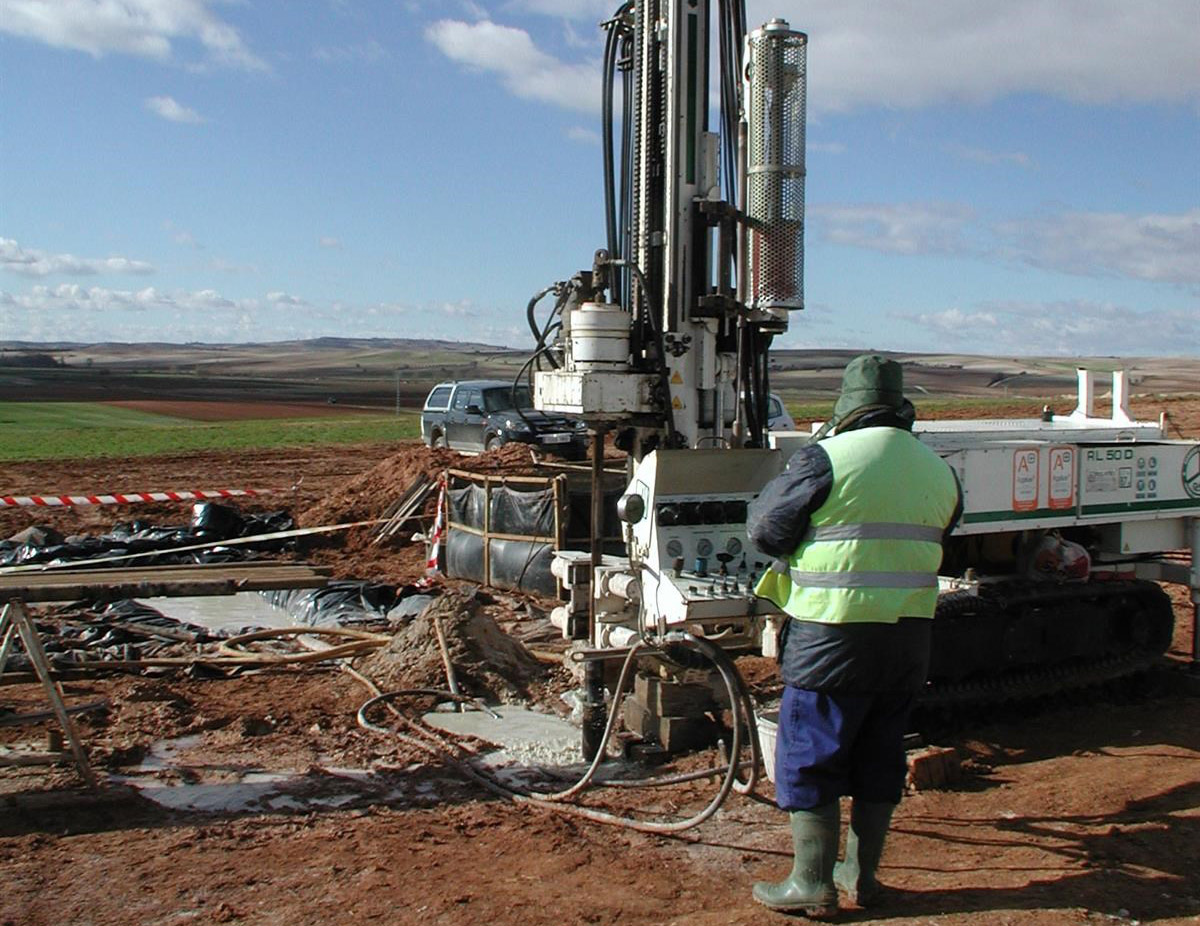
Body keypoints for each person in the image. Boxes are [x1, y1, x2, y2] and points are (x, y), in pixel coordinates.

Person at [746, 354, 962, 917]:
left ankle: (811, 883)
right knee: (880, 754)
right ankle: (863, 880)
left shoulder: (827, 458)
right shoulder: (938, 469)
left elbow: (766, 531)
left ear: (846, 404)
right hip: (908, 638)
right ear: (901, 405)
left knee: (812, 753)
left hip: (832, 637)